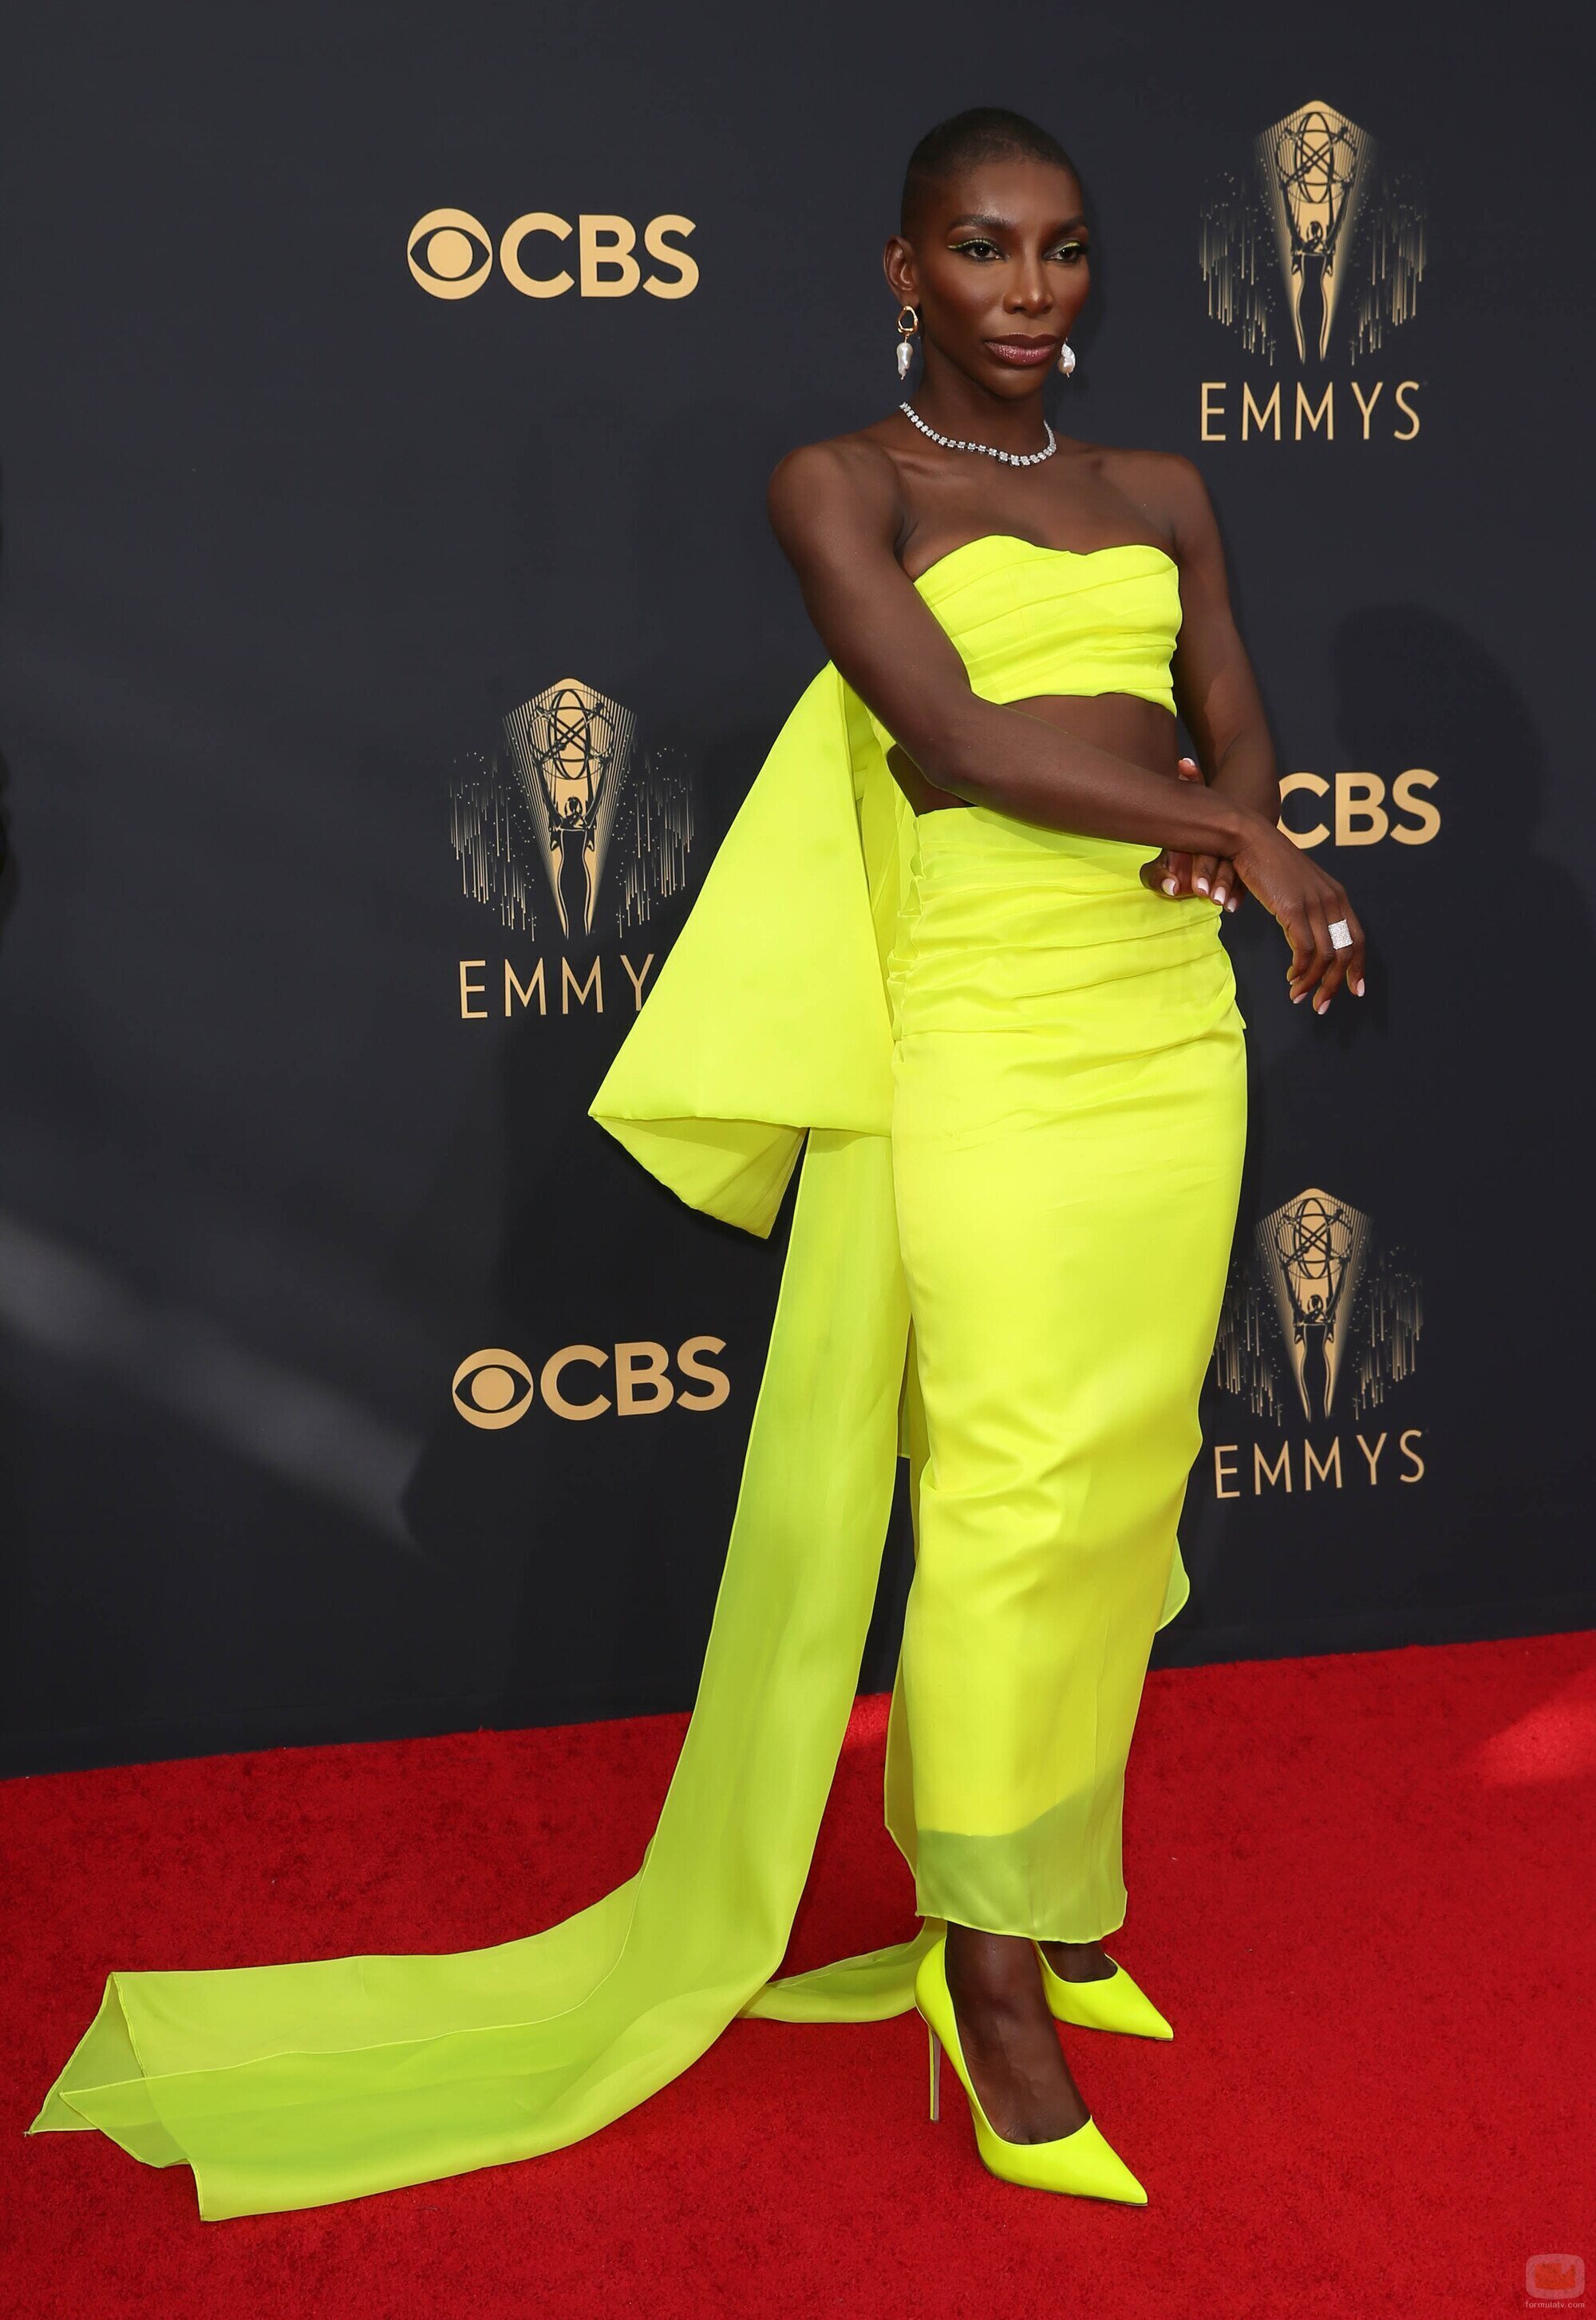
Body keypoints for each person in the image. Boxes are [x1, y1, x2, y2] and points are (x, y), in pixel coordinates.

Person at [28, 106, 1365, 2221]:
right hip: (983, 1032)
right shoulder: (842, 483)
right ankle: (990, 1973)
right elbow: (951, 741)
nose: (1031, 290)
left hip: (1165, 1032)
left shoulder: (1165, 489)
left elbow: (1232, 708)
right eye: (984, 249)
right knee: (1014, 1483)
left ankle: (1044, 1875)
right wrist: (1252, 843)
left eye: (1066, 252)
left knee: (1116, 1478)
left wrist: (1248, 811)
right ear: (906, 267)